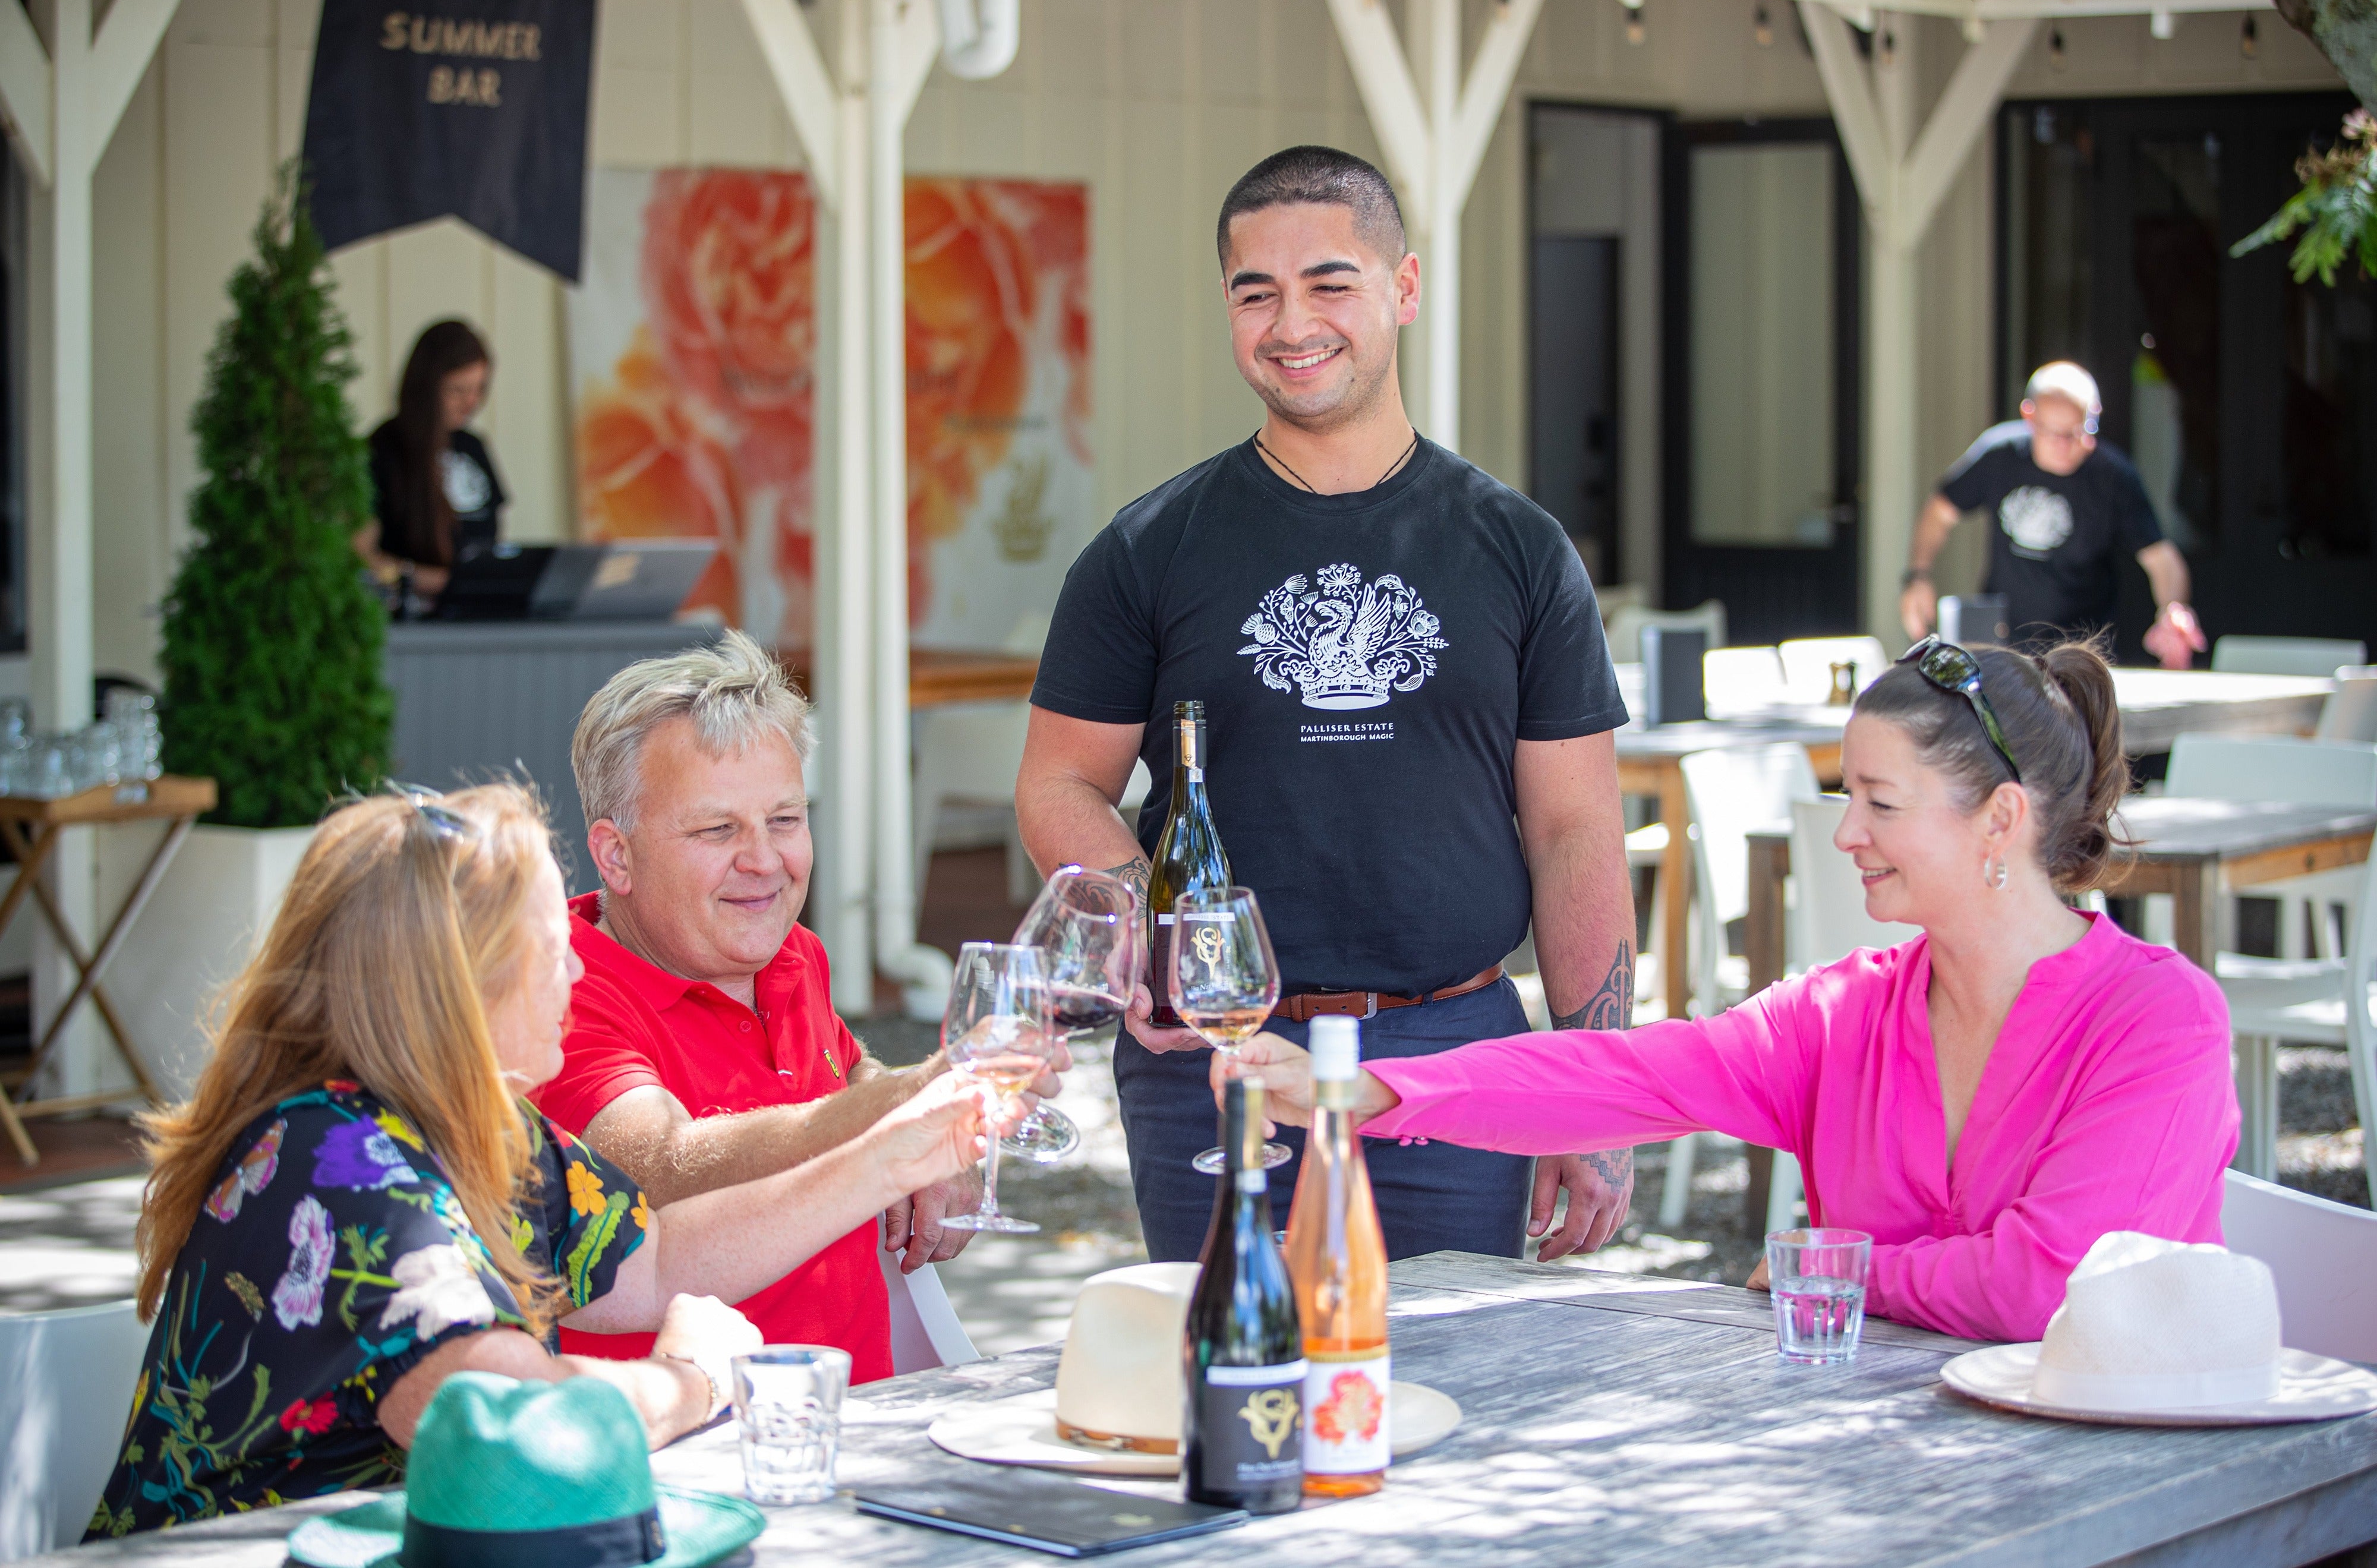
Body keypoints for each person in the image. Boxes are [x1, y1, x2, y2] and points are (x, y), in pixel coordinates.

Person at [1218, 638, 2239, 1345]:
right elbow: (1617, 1073)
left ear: (2001, 818)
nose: (1845, 834)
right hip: (1890, 1459)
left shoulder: (2160, 1020)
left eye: (1879, 802)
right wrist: (1366, 1093)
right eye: (1847, 796)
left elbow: (2048, 1287)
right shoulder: (1848, 1013)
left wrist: (1839, 1269)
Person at [1016, 146, 1637, 1267]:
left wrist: (1592, 1090)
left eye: (1330, 283)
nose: (1291, 322)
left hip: (1453, 1052)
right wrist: (1139, 916)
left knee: (1450, 1406)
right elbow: (1060, 781)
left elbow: (1575, 829)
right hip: (1217, 1057)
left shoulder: (1520, 550)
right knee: (1228, 1397)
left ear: (1403, 288)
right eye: (1258, 291)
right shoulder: (1147, 550)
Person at [90, 784, 995, 1539]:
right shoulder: (337, 1158)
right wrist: (692, 1379)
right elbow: (507, 1427)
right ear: (459, 982)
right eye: (548, 946)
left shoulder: (485, 1127)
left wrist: (891, 1155)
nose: (574, 968)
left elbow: (661, 1257)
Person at [533, 631, 1063, 1383]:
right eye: (718, 829)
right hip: (686, 1451)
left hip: (862, 1427)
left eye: (785, 820)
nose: (763, 861)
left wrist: (935, 1154)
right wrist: (913, 1104)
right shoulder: (555, 991)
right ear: (616, 855)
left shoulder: (791, 955)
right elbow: (659, 1167)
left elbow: (846, 1074)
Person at [1901, 361, 2205, 667]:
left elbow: (2162, 559)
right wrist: (1918, 574)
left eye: (2077, 433)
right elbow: (1940, 511)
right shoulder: (1999, 456)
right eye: (2053, 433)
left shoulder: (2113, 476)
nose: (2065, 446)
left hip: (2080, 653)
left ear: (2094, 415)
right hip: (2004, 644)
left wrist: (2173, 609)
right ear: (2029, 416)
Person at [358, 320, 507, 602]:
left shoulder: (473, 445)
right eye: (458, 390)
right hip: (412, 613)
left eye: (479, 389)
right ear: (426, 386)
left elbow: (493, 539)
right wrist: (421, 578)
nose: (471, 402)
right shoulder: (385, 446)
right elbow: (361, 553)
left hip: (476, 609)